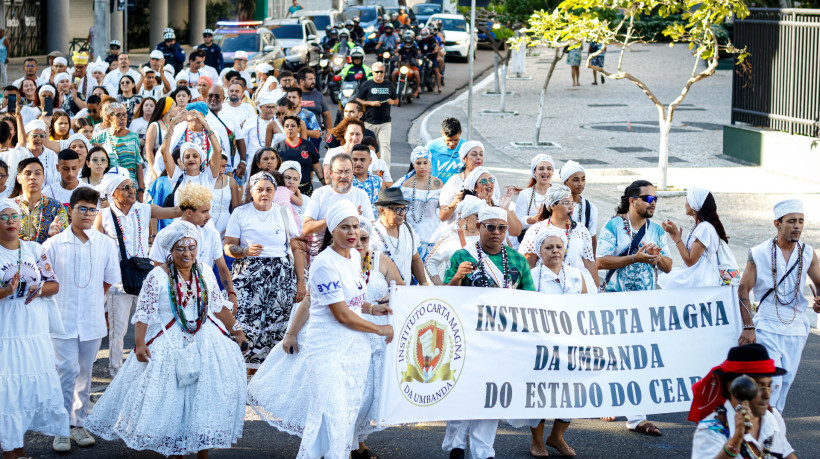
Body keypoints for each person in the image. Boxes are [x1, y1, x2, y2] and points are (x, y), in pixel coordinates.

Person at [84, 220, 249, 457]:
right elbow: (143, 313)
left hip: (206, 339)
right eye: (180, 248)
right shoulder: (156, 276)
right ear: (170, 251)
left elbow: (217, 306)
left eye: (191, 247)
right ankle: (176, 452)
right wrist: (140, 344)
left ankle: (202, 452)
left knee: (202, 399)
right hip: (167, 342)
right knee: (172, 402)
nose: (187, 253)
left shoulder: (203, 271)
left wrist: (237, 330)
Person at [247, 214, 400, 459]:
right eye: (345, 228)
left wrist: (373, 309)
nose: (353, 235)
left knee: (347, 416)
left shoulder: (352, 259)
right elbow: (341, 313)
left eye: (357, 229)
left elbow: (354, 301)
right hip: (329, 349)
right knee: (331, 415)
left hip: (355, 351)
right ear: (332, 230)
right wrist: (380, 329)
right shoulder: (324, 263)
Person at [444, 206, 534, 459]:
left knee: (490, 394)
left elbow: (530, 300)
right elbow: (446, 297)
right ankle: (455, 446)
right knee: (463, 391)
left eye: (501, 228)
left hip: (502, 338)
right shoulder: (463, 255)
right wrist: (457, 278)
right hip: (468, 337)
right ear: (479, 227)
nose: (496, 232)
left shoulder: (517, 260)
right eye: (490, 227)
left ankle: (484, 451)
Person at [44, 187, 119, 453]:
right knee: (65, 372)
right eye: (82, 209)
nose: (88, 214)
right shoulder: (52, 244)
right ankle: (60, 428)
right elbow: (45, 281)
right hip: (61, 319)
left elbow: (109, 279)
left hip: (91, 318)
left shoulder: (105, 244)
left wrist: (93, 300)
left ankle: (78, 423)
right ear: (71, 210)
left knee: (84, 373)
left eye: (92, 209)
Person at [596, 179, 672, 434]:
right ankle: (609, 400)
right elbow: (600, 262)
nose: (654, 203)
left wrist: (656, 256)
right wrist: (634, 257)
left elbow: (669, 266)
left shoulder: (658, 230)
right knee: (612, 355)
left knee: (639, 358)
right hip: (615, 301)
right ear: (632, 200)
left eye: (655, 199)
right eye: (648, 199)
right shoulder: (614, 226)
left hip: (645, 304)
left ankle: (637, 417)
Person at [94, 167, 181, 376]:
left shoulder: (144, 209)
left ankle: (151, 366)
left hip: (144, 276)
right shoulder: (104, 216)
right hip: (118, 281)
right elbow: (96, 247)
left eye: (133, 186)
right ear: (113, 192)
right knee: (118, 330)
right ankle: (116, 372)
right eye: (125, 187)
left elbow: (174, 212)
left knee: (152, 321)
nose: (132, 190)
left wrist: (191, 202)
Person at [736, 199, 820, 412]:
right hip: (767, 324)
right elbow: (743, 288)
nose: (797, 226)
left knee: (785, 383)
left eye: (801, 221)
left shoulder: (808, 253)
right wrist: (748, 327)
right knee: (772, 382)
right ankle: (759, 430)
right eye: (791, 221)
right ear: (777, 223)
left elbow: (819, 283)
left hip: (796, 326)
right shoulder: (759, 252)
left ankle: (770, 433)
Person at [0, 198, 68, 459]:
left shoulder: (34, 248)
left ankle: (18, 450)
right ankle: (10, 452)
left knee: (25, 391)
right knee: (6, 392)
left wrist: (38, 289)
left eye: (14, 217)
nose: (10, 222)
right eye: (4, 217)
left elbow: (54, 284)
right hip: (6, 330)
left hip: (32, 329)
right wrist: (6, 291)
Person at [512, 225, 583, 457]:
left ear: (565, 249)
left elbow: (587, 307)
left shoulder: (576, 275)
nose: (555, 251)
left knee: (571, 392)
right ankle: (537, 441)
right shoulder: (531, 276)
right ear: (539, 252)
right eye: (549, 247)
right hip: (540, 346)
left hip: (570, 344)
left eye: (559, 247)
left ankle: (557, 437)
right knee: (539, 392)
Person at [223, 171, 305, 372]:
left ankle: (268, 376)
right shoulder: (241, 213)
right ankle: (241, 373)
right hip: (248, 278)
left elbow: (296, 248)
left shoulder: (283, 212)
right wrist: (244, 251)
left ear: (275, 192)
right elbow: (228, 246)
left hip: (279, 279)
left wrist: (301, 281)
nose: (264, 193)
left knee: (277, 326)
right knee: (244, 323)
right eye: (259, 189)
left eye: (269, 189)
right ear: (251, 192)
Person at [689, 344, 796, 459]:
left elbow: (785, 453)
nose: (767, 395)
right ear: (733, 387)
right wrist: (735, 441)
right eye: (759, 386)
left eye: (769, 386)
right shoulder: (710, 430)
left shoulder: (773, 418)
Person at [519, 184, 598, 288]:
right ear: (552, 205)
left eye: (572, 203)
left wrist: (598, 288)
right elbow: (529, 263)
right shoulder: (537, 230)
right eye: (566, 203)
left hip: (577, 285)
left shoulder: (581, 230)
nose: (571, 207)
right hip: (545, 285)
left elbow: (589, 262)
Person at [658, 187, 728, 289]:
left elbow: (690, 261)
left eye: (688, 200)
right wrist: (675, 235)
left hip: (702, 281)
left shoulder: (704, 228)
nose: (685, 204)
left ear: (695, 205)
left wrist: (677, 238)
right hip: (699, 276)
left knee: (664, 279)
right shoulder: (700, 227)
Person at [302, 153, 375, 236]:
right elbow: (306, 228)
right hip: (323, 247)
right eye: (339, 172)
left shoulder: (361, 194)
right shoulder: (319, 194)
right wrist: (337, 216)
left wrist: (357, 219)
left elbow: (371, 228)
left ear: (352, 172)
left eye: (347, 172)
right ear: (331, 173)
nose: (343, 176)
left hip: (353, 247)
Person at [369, 187, 426, 284]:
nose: (402, 213)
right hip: (383, 296)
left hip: (405, 293)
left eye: (404, 209)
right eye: (398, 209)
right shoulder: (372, 234)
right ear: (382, 210)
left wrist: (425, 285)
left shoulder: (407, 229)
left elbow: (415, 260)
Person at [427, 195, 485, 285]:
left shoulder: (490, 237)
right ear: (466, 217)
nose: (481, 219)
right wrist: (439, 285)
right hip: (455, 292)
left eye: (483, 215)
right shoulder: (452, 237)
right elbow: (430, 262)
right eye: (477, 215)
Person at [90, 102, 144, 197]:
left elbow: (138, 165)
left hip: (131, 188)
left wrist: (140, 190)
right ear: (109, 117)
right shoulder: (100, 137)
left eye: (125, 115)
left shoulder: (133, 137)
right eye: (118, 115)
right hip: (111, 188)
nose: (122, 118)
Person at [9, 157, 67, 243]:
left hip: (46, 255)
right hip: (15, 255)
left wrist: (54, 236)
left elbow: (66, 238)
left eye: (37, 173)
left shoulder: (56, 207)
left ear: (43, 178)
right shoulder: (9, 206)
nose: (33, 177)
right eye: (28, 174)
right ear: (18, 178)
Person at [439, 141, 497, 224]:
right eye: (474, 154)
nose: (478, 158)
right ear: (464, 158)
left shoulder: (491, 179)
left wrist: (487, 203)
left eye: (481, 154)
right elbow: (442, 216)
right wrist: (455, 202)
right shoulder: (454, 181)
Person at [401, 146, 443, 260]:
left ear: (430, 164)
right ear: (413, 164)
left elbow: (442, 208)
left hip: (433, 233)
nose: (422, 166)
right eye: (418, 163)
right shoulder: (406, 185)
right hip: (413, 233)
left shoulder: (438, 183)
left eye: (425, 162)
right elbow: (404, 212)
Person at [161, 132, 222, 206]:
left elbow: (218, 151)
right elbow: (164, 151)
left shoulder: (207, 177)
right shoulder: (177, 177)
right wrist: (172, 126)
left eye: (195, 156)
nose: (191, 159)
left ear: (201, 161)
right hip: (180, 218)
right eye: (187, 157)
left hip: (205, 218)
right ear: (182, 161)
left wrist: (205, 124)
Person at [356, 62, 397, 165]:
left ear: (384, 73)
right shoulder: (366, 84)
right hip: (369, 122)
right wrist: (370, 103)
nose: (379, 74)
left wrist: (392, 102)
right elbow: (358, 100)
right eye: (376, 72)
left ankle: (385, 172)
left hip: (385, 122)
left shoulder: (389, 84)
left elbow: (396, 100)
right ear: (372, 72)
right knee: (367, 146)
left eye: (381, 72)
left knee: (385, 146)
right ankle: (368, 167)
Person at [273, 115, 322, 195]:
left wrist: (325, 183)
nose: (290, 128)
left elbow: (318, 168)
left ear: (299, 128)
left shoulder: (308, 145)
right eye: (287, 126)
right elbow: (274, 170)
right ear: (284, 129)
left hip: (306, 190)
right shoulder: (277, 147)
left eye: (293, 126)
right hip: (284, 192)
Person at [205, 86, 247, 178]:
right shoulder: (202, 114)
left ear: (223, 98)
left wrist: (243, 161)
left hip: (227, 165)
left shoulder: (230, 114)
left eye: (217, 96)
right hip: (207, 164)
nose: (213, 99)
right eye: (210, 96)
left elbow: (240, 139)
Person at [8, 118, 60, 188]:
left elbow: (56, 180)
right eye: (34, 135)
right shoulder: (20, 153)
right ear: (27, 137)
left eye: (42, 136)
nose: (38, 138)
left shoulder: (52, 155)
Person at [560, 160, 599, 252]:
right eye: (575, 180)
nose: (580, 183)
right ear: (565, 182)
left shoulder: (590, 208)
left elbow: (592, 240)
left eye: (583, 179)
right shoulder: (556, 205)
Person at [515, 154, 554, 239]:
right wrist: (534, 218)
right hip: (530, 240)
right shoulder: (525, 194)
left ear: (552, 172)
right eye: (541, 169)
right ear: (534, 172)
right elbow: (517, 222)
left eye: (549, 169)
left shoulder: (557, 192)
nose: (545, 172)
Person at [142, 96, 178, 183]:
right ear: (168, 109)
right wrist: (154, 172)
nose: (177, 109)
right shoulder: (154, 125)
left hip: (171, 166)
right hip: (157, 167)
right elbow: (149, 151)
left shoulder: (175, 125)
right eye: (174, 106)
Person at [296, 67, 332, 151]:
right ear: (301, 81)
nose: (313, 81)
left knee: (313, 159)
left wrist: (329, 132)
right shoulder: (293, 95)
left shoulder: (319, 95)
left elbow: (327, 115)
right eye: (310, 79)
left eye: (313, 79)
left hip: (314, 135)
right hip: (296, 134)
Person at [241, 92, 277, 163]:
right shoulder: (249, 122)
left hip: (273, 161)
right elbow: (242, 145)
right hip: (253, 161)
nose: (271, 110)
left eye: (273, 107)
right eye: (268, 107)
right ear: (260, 108)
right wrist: (241, 162)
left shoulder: (279, 122)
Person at [211, 153, 241, 237]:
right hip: (207, 221)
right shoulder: (204, 180)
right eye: (218, 166)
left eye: (224, 166)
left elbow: (235, 208)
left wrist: (231, 226)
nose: (220, 170)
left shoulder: (231, 181)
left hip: (225, 221)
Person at [426, 117, 464, 183]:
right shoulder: (432, 146)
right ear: (442, 133)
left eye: (456, 140)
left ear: (461, 132)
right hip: (437, 189)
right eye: (448, 140)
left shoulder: (467, 146)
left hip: (459, 190)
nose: (452, 144)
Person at [392, 32, 420, 98]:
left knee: (416, 73)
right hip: (402, 67)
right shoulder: (402, 49)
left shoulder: (414, 49)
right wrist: (394, 57)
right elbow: (397, 54)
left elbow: (417, 57)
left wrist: (417, 61)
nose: (407, 44)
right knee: (393, 73)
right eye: (406, 43)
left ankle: (417, 89)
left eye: (409, 43)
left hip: (411, 66)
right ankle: (394, 89)